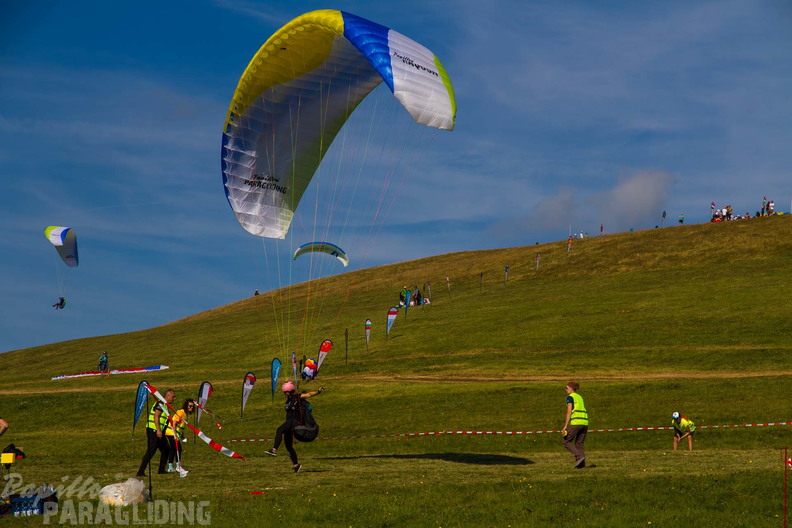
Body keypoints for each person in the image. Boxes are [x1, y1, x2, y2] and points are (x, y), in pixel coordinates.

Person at [264, 381, 324, 473]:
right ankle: (296, 465)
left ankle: (274, 450)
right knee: (288, 446)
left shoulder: (297, 397)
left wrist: (318, 391)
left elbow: (308, 394)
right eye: (284, 392)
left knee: (279, 430)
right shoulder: (288, 400)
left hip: (294, 422)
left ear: (290, 391)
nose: (285, 393)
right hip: (289, 422)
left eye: (286, 392)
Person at [136, 389, 175, 476]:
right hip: (154, 430)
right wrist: (158, 430)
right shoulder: (160, 403)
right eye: (173, 397)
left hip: (159, 431)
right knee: (151, 450)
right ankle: (140, 471)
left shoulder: (165, 405)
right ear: (167, 396)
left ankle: (161, 470)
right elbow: (156, 416)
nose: (174, 399)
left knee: (166, 449)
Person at [561, 381, 588, 469]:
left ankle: (579, 456)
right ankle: (581, 465)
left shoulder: (570, 397)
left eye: (566, 388)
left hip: (576, 422)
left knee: (565, 441)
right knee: (579, 444)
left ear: (571, 389)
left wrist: (565, 426)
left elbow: (569, 411)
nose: (565, 390)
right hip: (584, 422)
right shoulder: (579, 397)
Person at [166, 399, 194, 477]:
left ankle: (171, 467)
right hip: (171, 432)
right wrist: (175, 435)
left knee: (174, 449)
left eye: (192, 406)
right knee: (177, 449)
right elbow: (174, 423)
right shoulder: (181, 412)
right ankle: (177, 466)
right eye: (190, 406)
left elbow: (181, 427)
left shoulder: (185, 414)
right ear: (186, 406)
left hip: (175, 433)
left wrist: (182, 436)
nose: (191, 408)